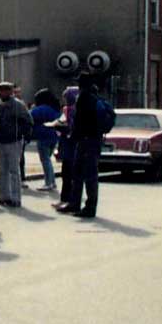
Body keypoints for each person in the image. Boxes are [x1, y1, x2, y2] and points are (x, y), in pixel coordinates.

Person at [57, 75, 106, 219]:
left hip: (85, 140)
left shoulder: (84, 98)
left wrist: (73, 136)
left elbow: (79, 121)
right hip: (93, 140)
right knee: (84, 174)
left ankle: (85, 207)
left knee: (84, 175)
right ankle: (79, 204)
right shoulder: (95, 97)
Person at [0, 81, 32, 208]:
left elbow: (28, 121)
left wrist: (22, 135)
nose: (3, 92)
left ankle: (15, 198)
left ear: (11, 91)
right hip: (1, 141)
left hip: (13, 141)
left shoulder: (18, 105)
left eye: (6, 90)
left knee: (14, 171)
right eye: (1, 90)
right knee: (2, 171)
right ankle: (4, 197)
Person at [29, 88, 62, 192]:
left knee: (45, 160)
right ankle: (52, 181)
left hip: (42, 137)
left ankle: (49, 182)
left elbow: (29, 117)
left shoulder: (39, 110)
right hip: (54, 136)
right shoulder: (55, 109)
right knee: (48, 159)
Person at [53, 87, 79, 211]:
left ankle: (67, 200)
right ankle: (65, 199)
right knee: (67, 175)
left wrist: (58, 126)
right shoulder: (76, 109)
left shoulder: (70, 110)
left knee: (68, 175)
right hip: (70, 146)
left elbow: (68, 126)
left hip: (70, 146)